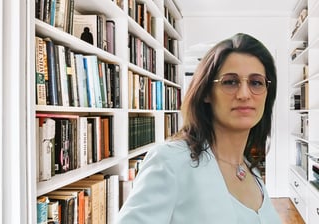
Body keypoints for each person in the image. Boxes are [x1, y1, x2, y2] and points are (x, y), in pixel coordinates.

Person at [116, 33, 281, 223]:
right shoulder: (170, 161)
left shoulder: (253, 172)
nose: (244, 94)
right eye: (230, 82)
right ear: (206, 93)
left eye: (256, 82)